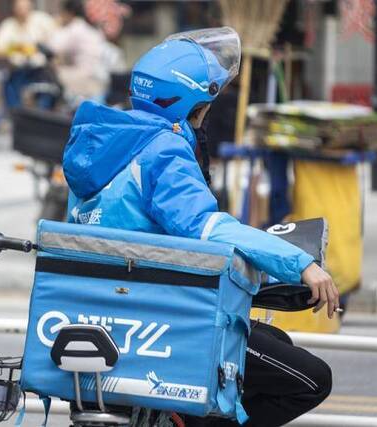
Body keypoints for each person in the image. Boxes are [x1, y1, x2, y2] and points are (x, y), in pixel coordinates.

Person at [62, 27, 336, 427]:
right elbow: (206, 228)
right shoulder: (163, 150)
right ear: (188, 106)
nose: (206, 117)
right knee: (312, 379)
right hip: (166, 323)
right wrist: (299, 263)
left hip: (110, 315)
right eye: (205, 107)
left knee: (276, 343)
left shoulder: (102, 145)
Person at [0, 0, 56, 109]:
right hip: (19, 70)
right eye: (19, 8)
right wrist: (17, 47)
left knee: (46, 94)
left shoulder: (41, 20)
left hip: (40, 70)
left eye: (25, 7)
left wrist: (40, 47)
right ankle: (16, 115)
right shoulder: (9, 25)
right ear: (14, 9)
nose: (22, 11)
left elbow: (56, 37)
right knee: (10, 89)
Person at [47, 0, 109, 102]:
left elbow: (52, 46)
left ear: (68, 13)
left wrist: (57, 25)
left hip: (86, 79)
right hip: (101, 77)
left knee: (51, 74)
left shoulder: (75, 27)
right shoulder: (89, 27)